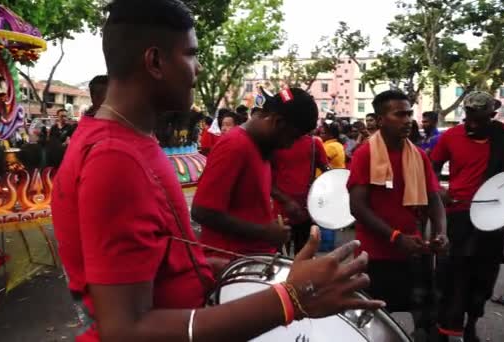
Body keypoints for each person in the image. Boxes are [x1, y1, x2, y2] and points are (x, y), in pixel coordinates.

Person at [51, 1, 384, 341]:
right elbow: (125, 329)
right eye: (191, 54)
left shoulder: (130, 141)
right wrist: (292, 298)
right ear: (154, 62)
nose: (198, 70)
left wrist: (199, 266)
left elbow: (149, 253)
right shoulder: (114, 159)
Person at [348, 90, 447, 340]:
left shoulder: (418, 155)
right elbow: (357, 207)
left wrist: (442, 233)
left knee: (425, 320)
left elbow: (434, 200)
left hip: (413, 250)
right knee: (372, 322)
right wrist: (394, 236)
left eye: (409, 114)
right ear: (381, 120)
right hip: (376, 256)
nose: (408, 120)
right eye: (399, 114)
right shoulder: (365, 154)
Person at [431, 91, 504, 342]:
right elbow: (431, 168)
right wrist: (439, 190)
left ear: (492, 115)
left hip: (493, 218)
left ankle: (472, 324)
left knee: (483, 277)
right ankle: (447, 327)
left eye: (479, 119)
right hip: (458, 215)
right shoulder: (451, 136)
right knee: (453, 274)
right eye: (468, 117)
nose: (471, 123)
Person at [192, 88, 316, 257]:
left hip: (255, 257)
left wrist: (269, 226)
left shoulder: (261, 147)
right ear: (277, 122)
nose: (289, 146)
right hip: (230, 264)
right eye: (292, 138)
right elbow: (202, 211)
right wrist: (264, 232)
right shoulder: (234, 146)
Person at [271, 130, 330, 253]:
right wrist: (286, 201)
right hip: (280, 214)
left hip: (306, 211)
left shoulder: (314, 143)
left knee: (303, 254)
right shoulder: (274, 143)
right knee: (280, 257)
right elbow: (267, 180)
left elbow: (327, 172)